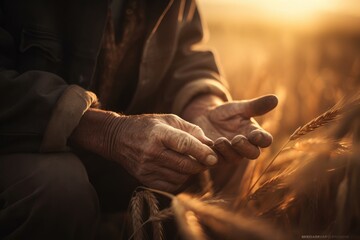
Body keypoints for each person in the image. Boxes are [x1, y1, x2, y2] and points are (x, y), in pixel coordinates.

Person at [0, 0, 277, 239]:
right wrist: (108, 132)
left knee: (222, 161)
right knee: (59, 189)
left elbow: (185, 51)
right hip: (19, 148)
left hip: (113, 158)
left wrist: (202, 104)